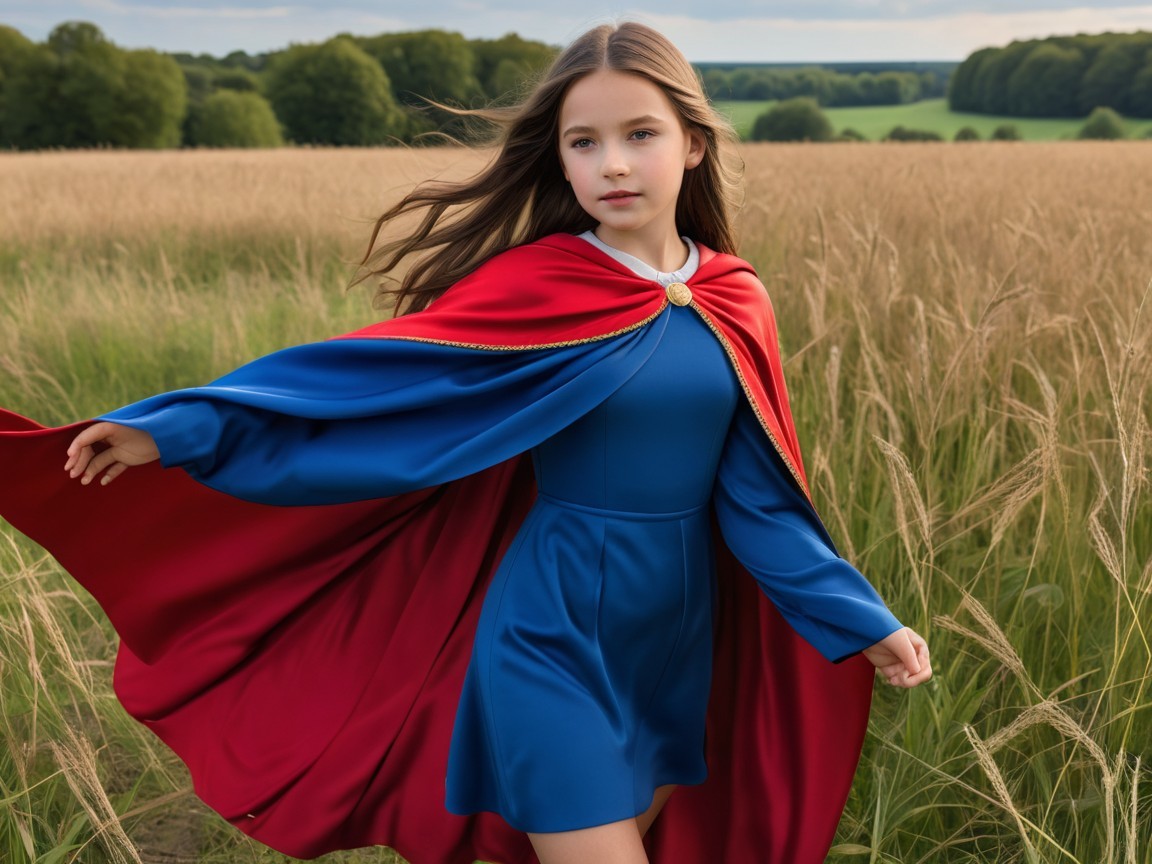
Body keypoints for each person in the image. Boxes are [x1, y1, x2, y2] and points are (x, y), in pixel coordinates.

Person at [0, 21, 930, 864]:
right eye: (583, 142)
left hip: (678, 650)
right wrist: (180, 428)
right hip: (548, 634)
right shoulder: (539, 283)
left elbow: (759, 503)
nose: (613, 164)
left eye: (639, 134)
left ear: (692, 142)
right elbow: (365, 385)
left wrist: (862, 618)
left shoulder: (735, 299)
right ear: (558, 158)